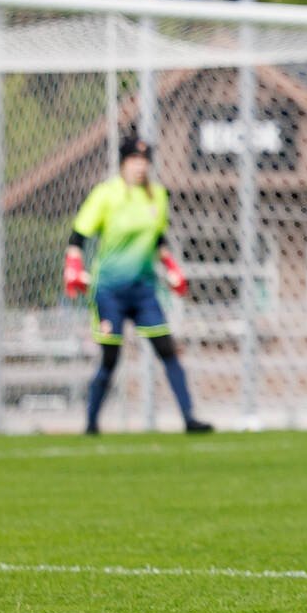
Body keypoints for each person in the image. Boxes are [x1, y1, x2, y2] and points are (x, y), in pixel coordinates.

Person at [64, 136, 213, 436]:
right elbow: (78, 235)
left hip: (144, 291)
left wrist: (172, 268)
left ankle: (189, 418)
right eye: (134, 160)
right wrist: (74, 268)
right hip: (110, 291)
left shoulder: (156, 195)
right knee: (110, 357)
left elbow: (158, 238)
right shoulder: (107, 194)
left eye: (144, 161)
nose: (140, 166)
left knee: (167, 349)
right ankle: (91, 423)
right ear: (123, 163)